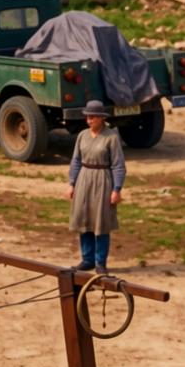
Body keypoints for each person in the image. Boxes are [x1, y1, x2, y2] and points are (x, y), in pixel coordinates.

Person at [67, 100, 126, 274]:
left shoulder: (111, 137)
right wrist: (72, 183)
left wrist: (116, 189)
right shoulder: (82, 135)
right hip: (84, 179)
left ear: (101, 118)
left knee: (101, 223)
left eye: (92, 117)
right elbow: (76, 160)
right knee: (83, 220)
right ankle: (87, 259)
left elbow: (118, 165)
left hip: (103, 180)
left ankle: (100, 262)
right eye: (87, 116)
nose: (89, 120)